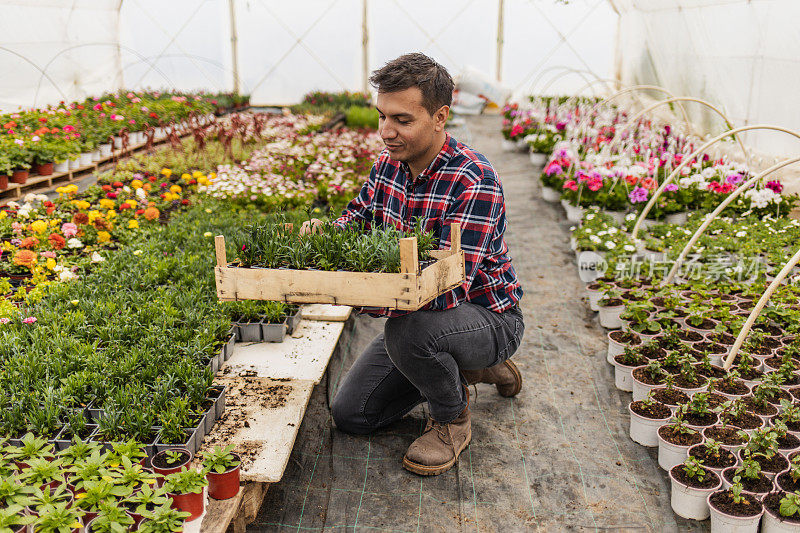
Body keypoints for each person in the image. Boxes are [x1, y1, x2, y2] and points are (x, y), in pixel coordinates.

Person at [301, 53, 524, 476]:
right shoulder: (389, 165)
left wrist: (359, 294)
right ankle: (465, 367)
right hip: (420, 322)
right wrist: (324, 238)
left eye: (402, 120)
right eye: (382, 116)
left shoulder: (474, 181)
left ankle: (451, 417)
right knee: (353, 415)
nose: (386, 132)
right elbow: (356, 220)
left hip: (485, 317)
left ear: (440, 116)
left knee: (407, 330)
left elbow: (447, 290)